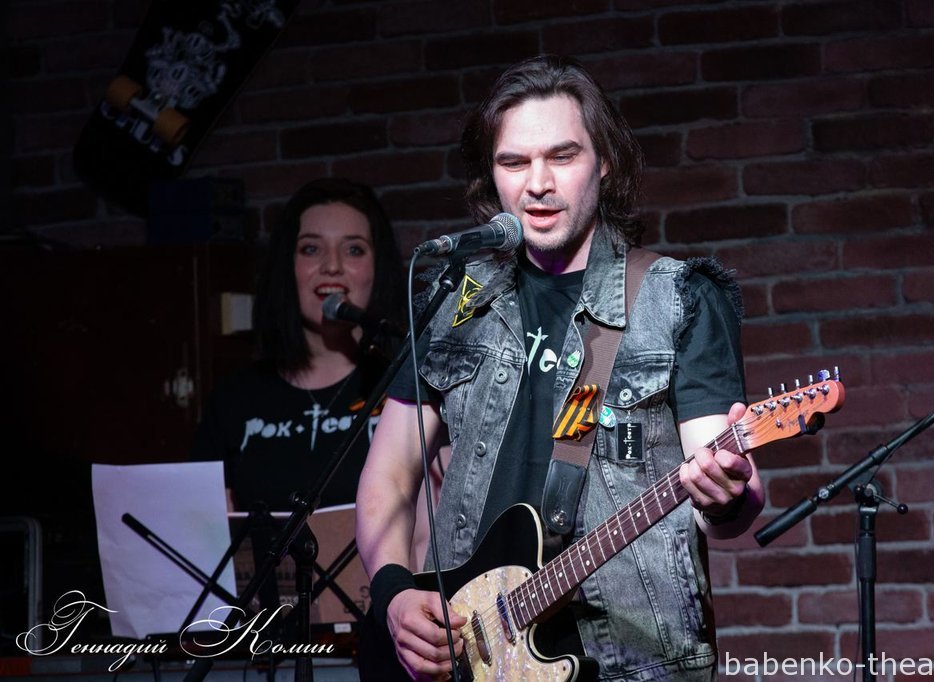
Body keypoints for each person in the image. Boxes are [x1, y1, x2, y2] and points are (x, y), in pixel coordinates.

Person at [355, 55, 765, 681]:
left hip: (630, 663)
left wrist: (729, 494)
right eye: (513, 162)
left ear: (605, 162)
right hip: (472, 651)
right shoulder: (453, 301)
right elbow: (389, 473)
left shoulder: (677, 299)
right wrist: (393, 594)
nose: (537, 184)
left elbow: (725, 482)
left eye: (562, 156)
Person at [192, 176, 402, 513]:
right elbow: (205, 523)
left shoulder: (404, 386)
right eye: (311, 249)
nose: (332, 266)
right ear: (287, 267)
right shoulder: (235, 397)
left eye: (353, 249)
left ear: (377, 267)